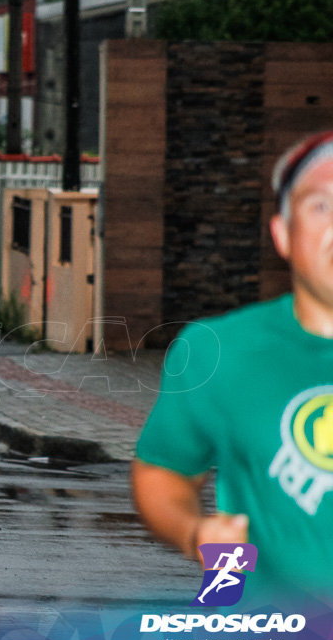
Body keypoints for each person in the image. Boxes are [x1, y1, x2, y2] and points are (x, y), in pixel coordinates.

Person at [132, 130, 333, 606]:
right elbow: (163, 470)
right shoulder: (217, 351)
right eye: (322, 206)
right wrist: (195, 532)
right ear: (283, 234)